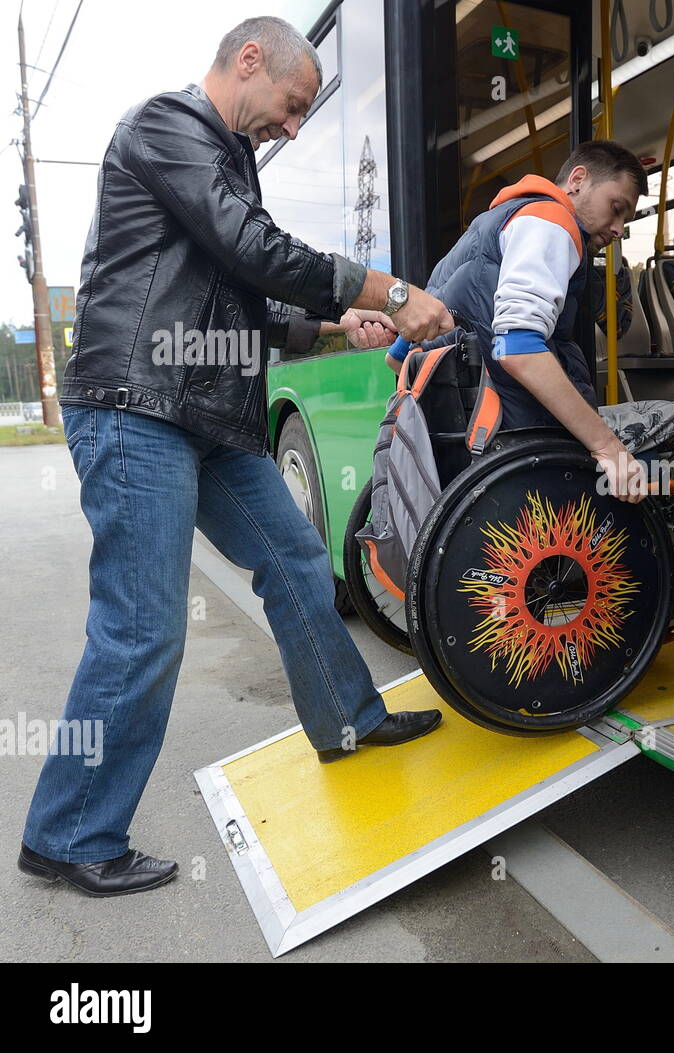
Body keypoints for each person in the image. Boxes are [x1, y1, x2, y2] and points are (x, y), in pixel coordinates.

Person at [19, 16, 457, 899]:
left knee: (297, 556)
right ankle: (69, 834)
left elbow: (243, 300)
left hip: (209, 417)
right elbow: (251, 248)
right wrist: (389, 289)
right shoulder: (165, 126)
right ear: (248, 60)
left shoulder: (228, 160)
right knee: (142, 626)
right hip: (136, 407)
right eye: (294, 107)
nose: (294, 127)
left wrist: (339, 318)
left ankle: (346, 718)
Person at [360, 140, 674, 503]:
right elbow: (519, 349)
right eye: (616, 208)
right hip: (529, 437)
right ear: (577, 180)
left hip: (476, 441)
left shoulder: (482, 234)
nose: (619, 228)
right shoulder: (552, 222)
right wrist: (608, 448)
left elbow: (398, 359)